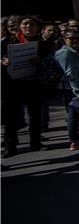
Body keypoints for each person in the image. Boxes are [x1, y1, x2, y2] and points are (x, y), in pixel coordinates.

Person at [1, 16, 48, 156]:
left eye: (32, 24)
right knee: (10, 116)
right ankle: (10, 146)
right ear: (20, 26)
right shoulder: (8, 42)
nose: (28, 27)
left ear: (37, 27)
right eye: (25, 24)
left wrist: (41, 61)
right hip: (12, 83)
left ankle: (35, 142)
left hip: (33, 82)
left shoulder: (43, 44)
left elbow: (50, 61)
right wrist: (3, 61)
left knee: (35, 114)